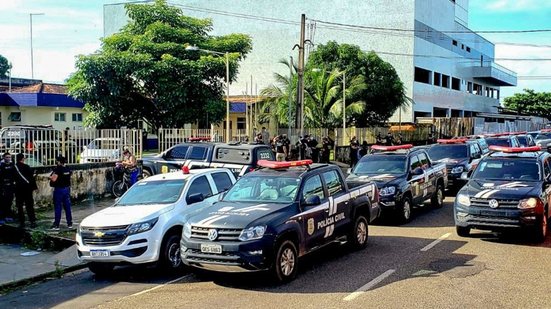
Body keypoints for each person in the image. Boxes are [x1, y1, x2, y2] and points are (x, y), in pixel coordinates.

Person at [13, 153, 37, 228]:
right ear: (23, 159)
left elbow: (12, 178)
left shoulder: (14, 167)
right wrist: (34, 188)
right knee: (29, 206)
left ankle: (22, 222)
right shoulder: (27, 167)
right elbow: (31, 178)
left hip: (18, 189)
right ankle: (32, 221)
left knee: (19, 206)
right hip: (27, 189)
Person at [49, 155, 73, 230]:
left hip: (59, 190)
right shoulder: (67, 168)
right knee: (67, 207)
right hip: (66, 189)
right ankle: (69, 223)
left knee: (58, 207)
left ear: (59, 162)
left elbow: (54, 179)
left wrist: (49, 177)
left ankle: (56, 225)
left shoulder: (58, 169)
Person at [0, 152, 16, 224]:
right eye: (7, 157)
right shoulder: (1, 165)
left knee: (9, 201)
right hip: (3, 186)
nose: (8, 159)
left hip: (11, 186)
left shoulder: (13, 165)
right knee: (2, 202)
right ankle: (2, 217)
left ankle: (8, 216)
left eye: (9, 157)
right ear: (3, 158)